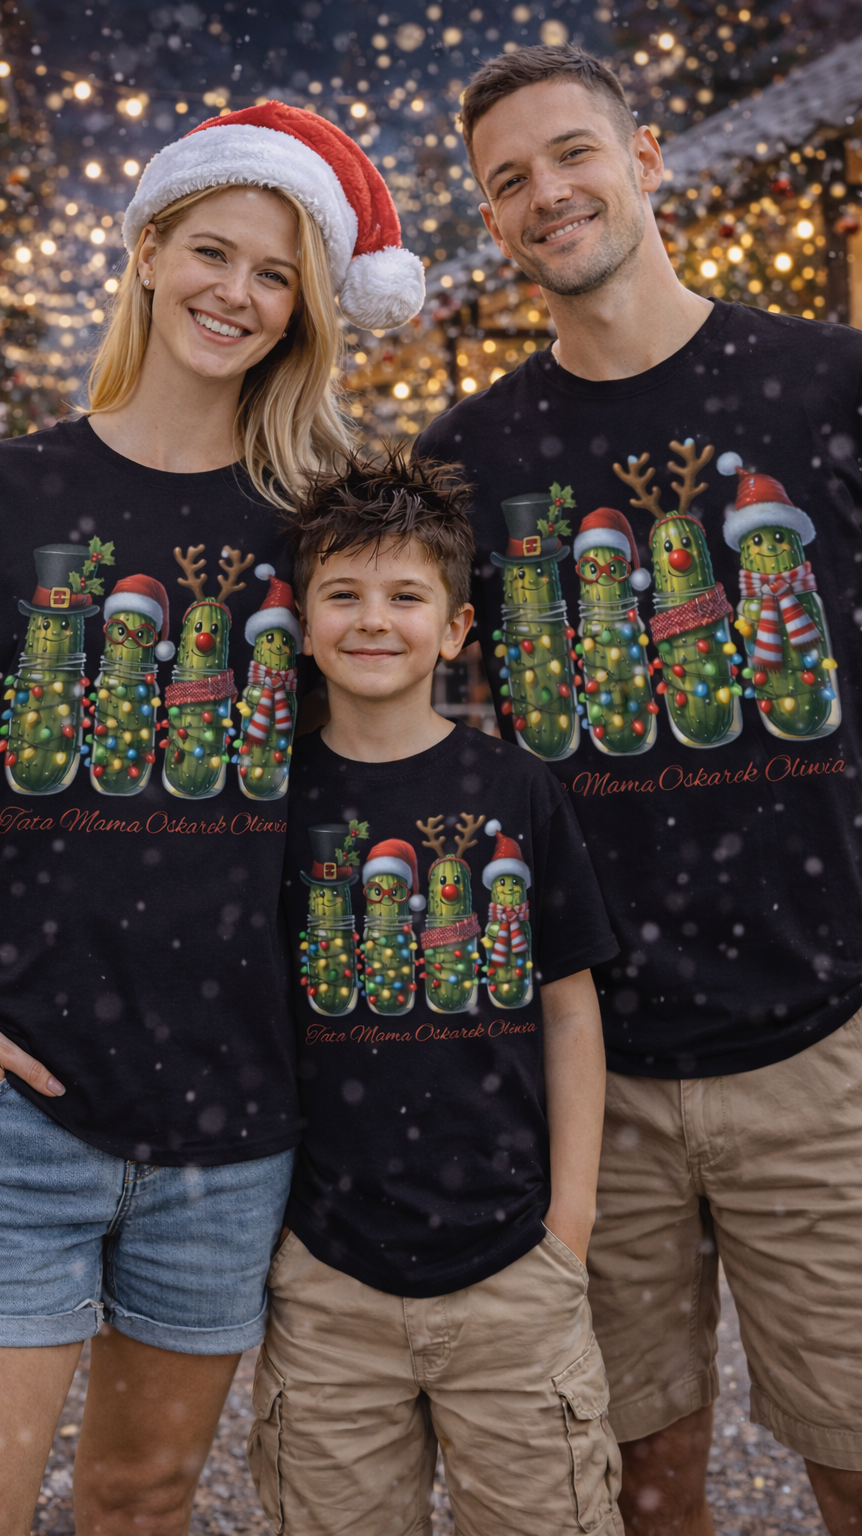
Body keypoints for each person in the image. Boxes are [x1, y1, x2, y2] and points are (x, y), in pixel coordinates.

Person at [0, 103, 425, 1536]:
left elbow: (382, 777)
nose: (236, 292)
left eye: (276, 273)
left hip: (231, 1120)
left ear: (304, 310)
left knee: (140, 1495)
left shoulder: (322, 526)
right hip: (11, 1107)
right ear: (149, 251)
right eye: (212, 252)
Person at [415, 42, 862, 1536]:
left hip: (824, 1045)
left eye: (572, 154)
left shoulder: (829, 384)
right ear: (492, 220)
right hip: (586, 1064)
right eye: (508, 181)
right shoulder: (469, 459)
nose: (547, 194)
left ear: (646, 158)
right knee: (639, 1482)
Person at [247, 451, 623, 1535]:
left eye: (406, 596)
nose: (374, 620)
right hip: (329, 1280)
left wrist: (569, 1223)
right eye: (343, 594)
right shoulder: (270, 801)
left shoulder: (516, 789)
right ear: (303, 624)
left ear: (456, 628)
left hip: (513, 1268)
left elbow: (568, 1008)